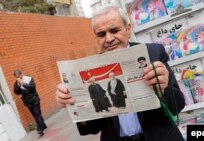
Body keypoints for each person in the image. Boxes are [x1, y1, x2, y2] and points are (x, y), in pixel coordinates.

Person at [56, 4, 185, 141]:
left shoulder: (153, 53)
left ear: (128, 29)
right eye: (101, 34)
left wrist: (163, 91)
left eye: (114, 30)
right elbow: (93, 127)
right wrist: (74, 106)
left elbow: (178, 105)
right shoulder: (89, 69)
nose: (109, 39)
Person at [13, 70, 47, 136]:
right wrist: (18, 85)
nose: (18, 77)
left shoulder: (28, 78)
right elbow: (17, 92)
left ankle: (40, 129)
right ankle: (43, 125)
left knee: (37, 114)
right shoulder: (17, 82)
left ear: (21, 74)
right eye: (16, 77)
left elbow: (32, 87)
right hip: (27, 102)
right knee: (36, 115)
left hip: (34, 100)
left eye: (19, 76)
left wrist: (23, 84)